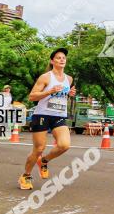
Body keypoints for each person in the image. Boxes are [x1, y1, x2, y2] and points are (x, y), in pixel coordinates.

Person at [20, 48, 76, 190]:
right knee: (39, 148)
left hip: (59, 115)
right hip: (42, 115)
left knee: (64, 145)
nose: (62, 59)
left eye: (63, 57)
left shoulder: (69, 79)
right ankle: (25, 176)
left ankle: (44, 161)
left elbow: (64, 95)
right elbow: (32, 96)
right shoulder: (46, 77)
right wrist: (49, 91)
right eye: (58, 58)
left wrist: (70, 93)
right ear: (52, 61)